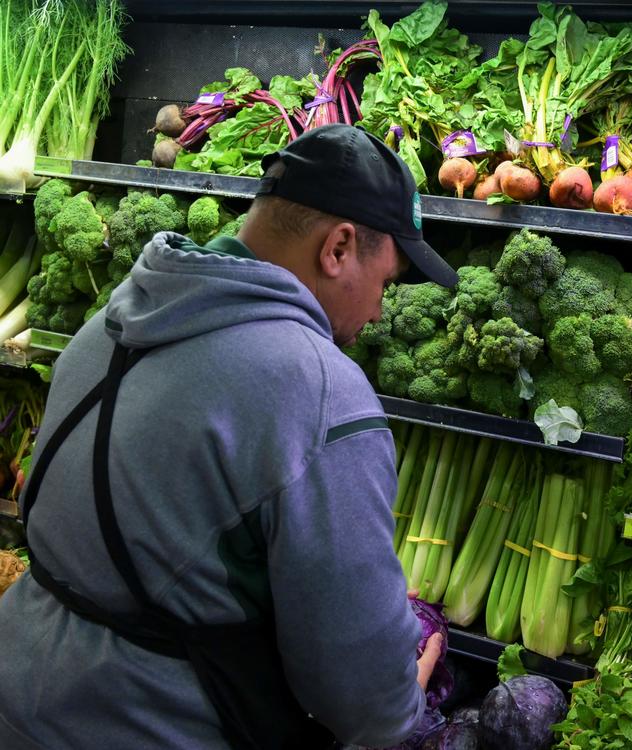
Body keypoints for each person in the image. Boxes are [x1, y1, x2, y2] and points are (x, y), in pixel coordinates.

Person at [0, 124, 459, 749]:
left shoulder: (104, 327)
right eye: (386, 281)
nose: (380, 310)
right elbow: (364, 702)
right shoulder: (321, 391)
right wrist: (398, 696)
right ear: (339, 248)